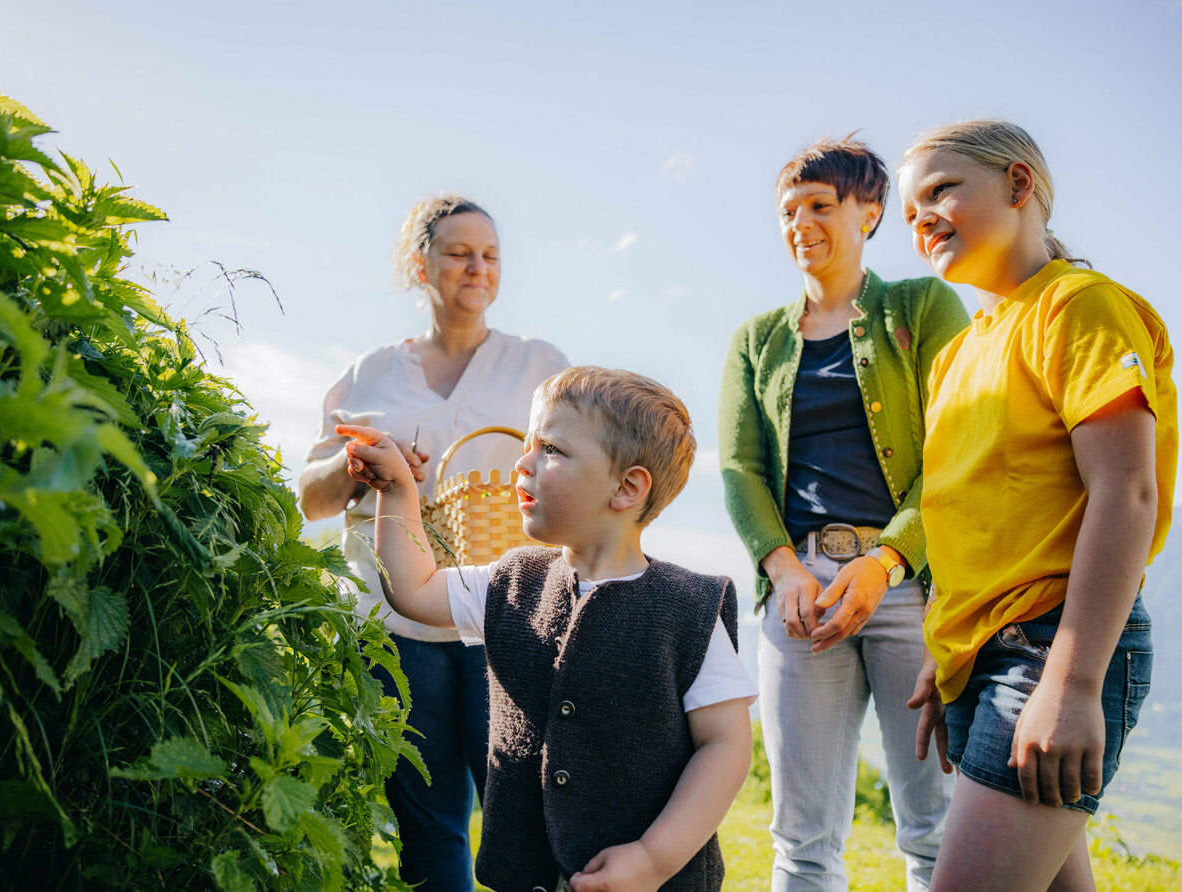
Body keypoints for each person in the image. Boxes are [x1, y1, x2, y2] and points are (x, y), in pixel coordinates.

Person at [338, 366, 757, 892]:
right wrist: (398, 489)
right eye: (528, 445)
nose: (522, 463)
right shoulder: (511, 580)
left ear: (627, 488)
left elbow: (725, 746)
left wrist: (653, 860)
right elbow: (413, 589)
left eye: (551, 449)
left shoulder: (688, 608)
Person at [896, 119, 1176, 892]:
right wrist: (945, 650)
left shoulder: (1079, 306)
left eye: (941, 191)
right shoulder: (956, 355)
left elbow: (1127, 491)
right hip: (980, 658)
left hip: (1051, 649)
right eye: (910, 211)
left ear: (1019, 184)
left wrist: (1073, 684)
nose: (922, 219)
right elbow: (969, 514)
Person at [297, 195, 568, 890]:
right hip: (395, 623)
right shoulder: (370, 374)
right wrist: (361, 463)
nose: (478, 267)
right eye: (459, 253)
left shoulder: (539, 365)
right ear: (421, 266)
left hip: (505, 619)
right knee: (430, 827)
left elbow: (576, 468)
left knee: (525, 822)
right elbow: (312, 498)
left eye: (490, 255)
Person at [718, 137, 966, 891]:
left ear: (871, 211)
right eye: (788, 211)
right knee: (802, 839)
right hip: (799, 596)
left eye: (820, 206)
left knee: (935, 828)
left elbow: (955, 455)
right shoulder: (755, 341)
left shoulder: (923, 307)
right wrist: (783, 570)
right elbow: (740, 468)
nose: (800, 224)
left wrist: (885, 561)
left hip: (912, 586)